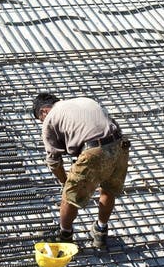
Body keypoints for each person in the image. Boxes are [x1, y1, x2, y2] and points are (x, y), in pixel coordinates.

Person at [32, 93, 130, 247]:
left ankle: (65, 236)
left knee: (69, 196)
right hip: (120, 144)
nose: (42, 123)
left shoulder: (49, 119)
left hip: (94, 151)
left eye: (40, 120)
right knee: (108, 190)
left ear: (43, 111)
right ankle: (100, 231)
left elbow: (54, 161)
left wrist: (65, 182)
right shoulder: (85, 100)